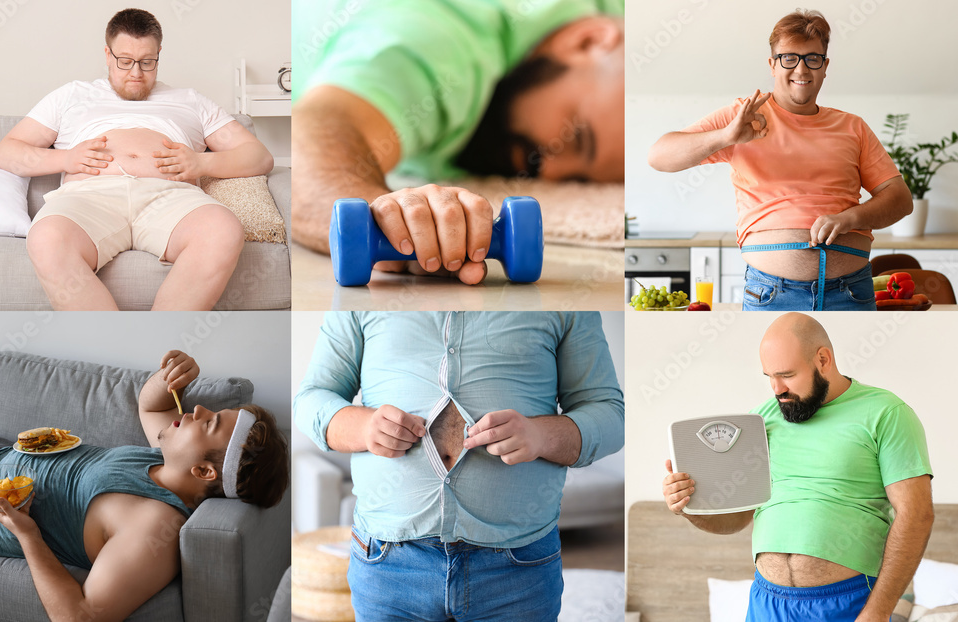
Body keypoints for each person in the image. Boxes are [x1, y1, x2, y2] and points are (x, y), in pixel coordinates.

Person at [295, 312, 624, 620]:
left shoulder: (565, 305)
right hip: (388, 565)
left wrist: (540, 435)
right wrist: (364, 428)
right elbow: (312, 399)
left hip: (519, 568)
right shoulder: (359, 292)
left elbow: (610, 414)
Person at [292, 0, 624, 285]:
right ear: (588, 40)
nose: (549, 172)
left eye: (579, 180)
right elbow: (308, 141)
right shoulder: (439, 40)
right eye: (577, 138)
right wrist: (397, 223)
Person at [0, 350, 289, 622]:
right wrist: (170, 377)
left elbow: (78, 617)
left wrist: (27, 534)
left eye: (210, 422)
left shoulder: (154, 527)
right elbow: (153, 405)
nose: (199, 410)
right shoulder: (165, 461)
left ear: (203, 471)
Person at [0, 8, 274, 311]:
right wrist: (66, 158)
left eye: (146, 62)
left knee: (223, 229)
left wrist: (201, 163)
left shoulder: (190, 101)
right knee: (46, 237)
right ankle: (113, 353)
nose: (136, 73)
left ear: (159, 54)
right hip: (88, 200)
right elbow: (5, 153)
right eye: (125, 62)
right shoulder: (71, 96)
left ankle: (162, 349)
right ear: (107, 54)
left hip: (170, 198)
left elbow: (259, 156)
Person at [662, 312, 933, 621]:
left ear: (823, 359)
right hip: (767, 603)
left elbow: (917, 515)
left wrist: (878, 612)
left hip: (848, 603)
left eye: (787, 375)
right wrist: (689, 507)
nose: (777, 389)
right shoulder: (760, 420)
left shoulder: (887, 413)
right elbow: (737, 519)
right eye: (769, 377)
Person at [647, 9, 913, 311]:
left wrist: (849, 218)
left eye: (813, 58)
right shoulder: (744, 115)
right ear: (772, 65)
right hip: (772, 294)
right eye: (789, 58)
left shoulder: (853, 127)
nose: (801, 70)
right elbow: (658, 156)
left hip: (852, 293)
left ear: (825, 67)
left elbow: (900, 199)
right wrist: (725, 137)